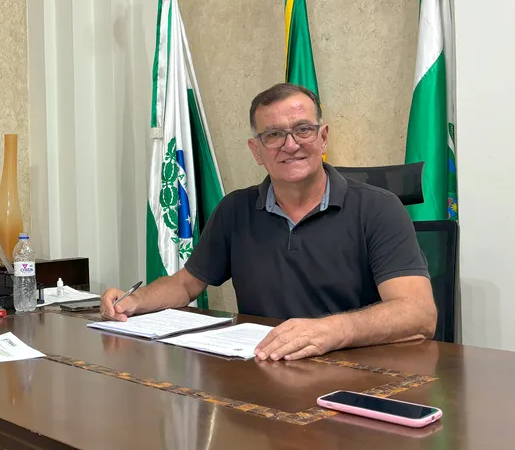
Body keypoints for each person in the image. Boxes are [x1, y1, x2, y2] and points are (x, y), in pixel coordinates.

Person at [101, 83, 437, 362]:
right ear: (256, 150)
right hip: (267, 370)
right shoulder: (235, 209)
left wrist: (332, 331)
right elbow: (187, 285)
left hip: (357, 375)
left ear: (323, 137)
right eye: (274, 135)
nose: (291, 145)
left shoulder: (379, 208)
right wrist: (135, 301)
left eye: (303, 129)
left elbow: (418, 313)